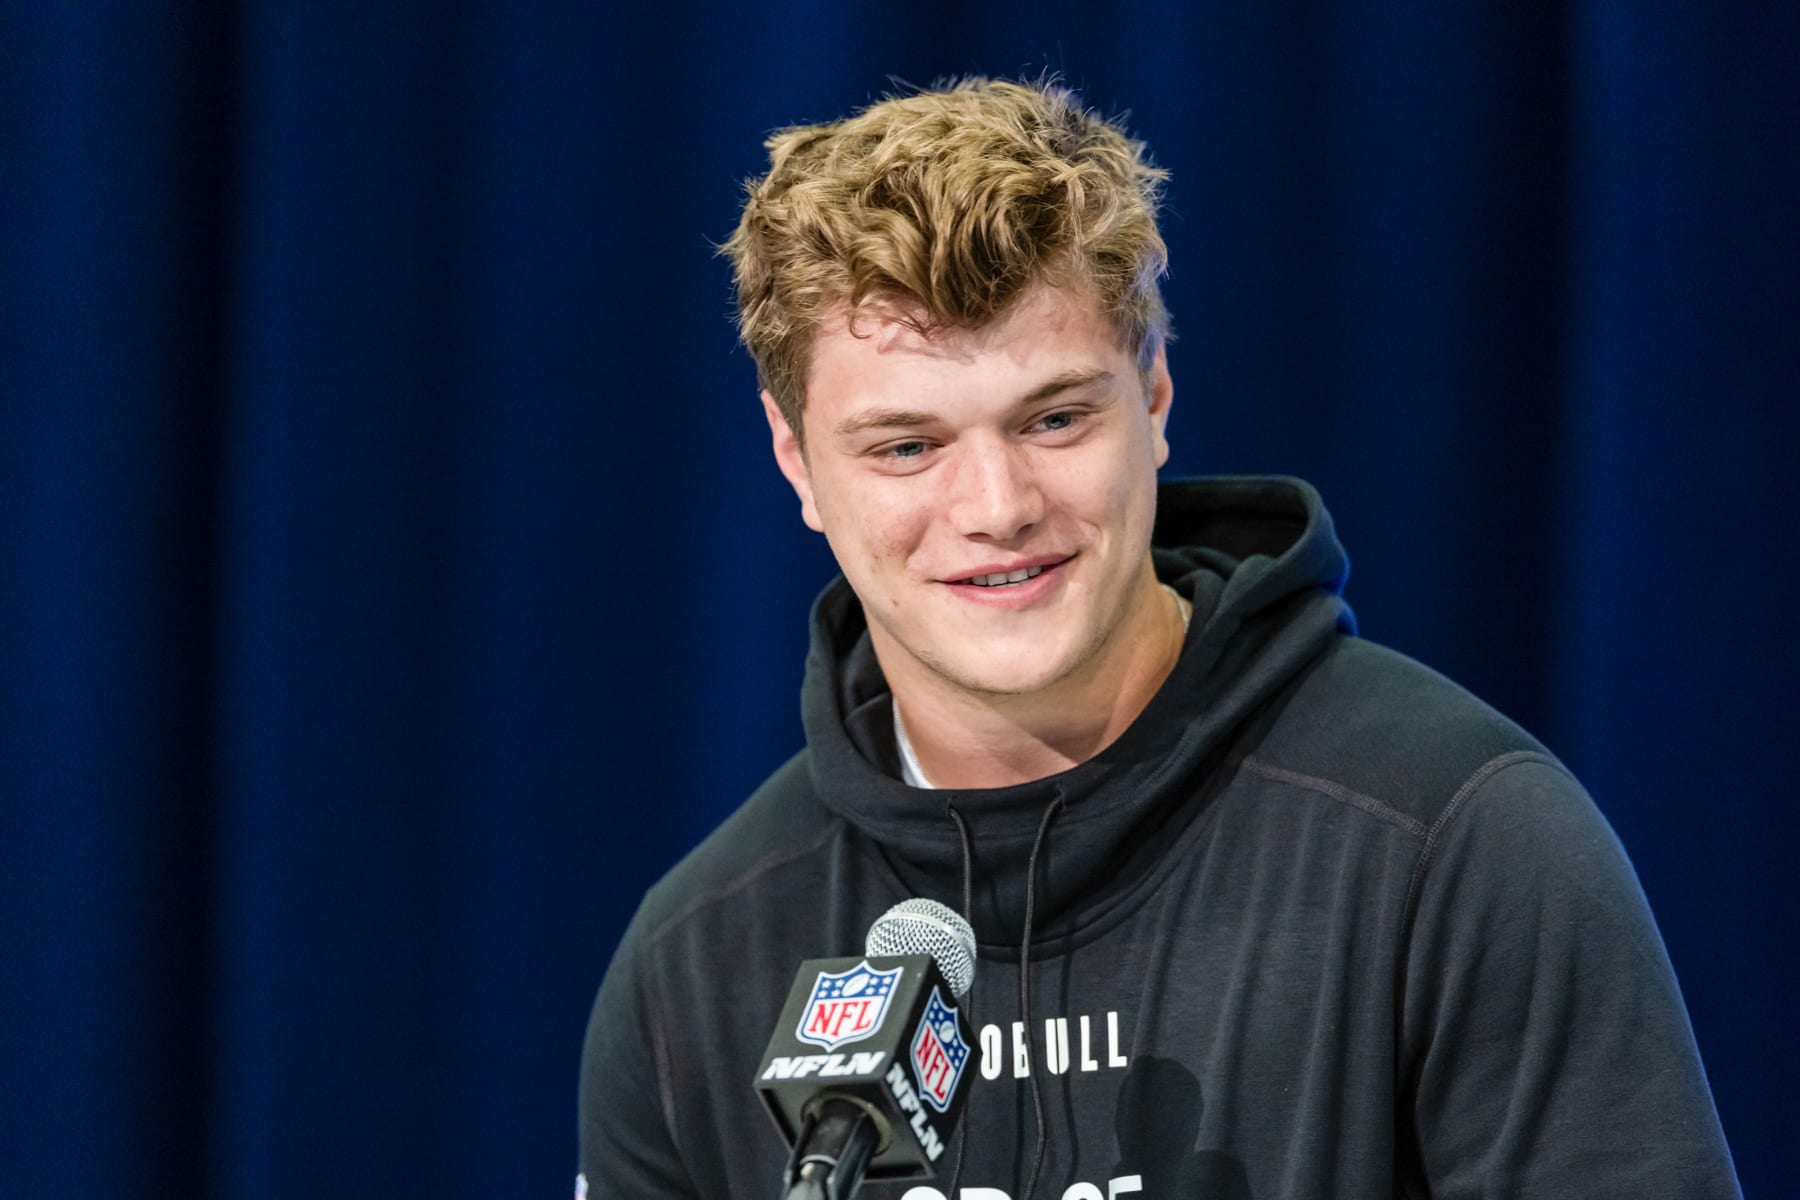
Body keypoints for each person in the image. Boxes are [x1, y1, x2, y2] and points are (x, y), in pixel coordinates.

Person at [577, 78, 1739, 1199]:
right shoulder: (698, 963)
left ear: (1157, 397)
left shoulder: (1453, 842)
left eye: (1056, 417)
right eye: (905, 447)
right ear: (797, 464)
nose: (996, 506)